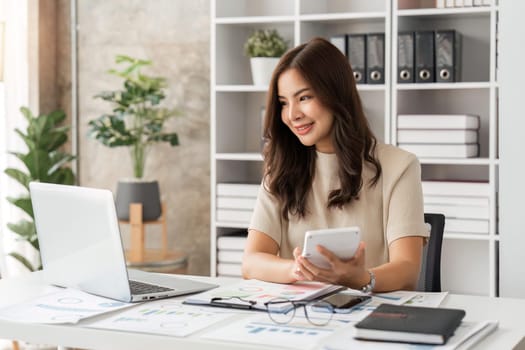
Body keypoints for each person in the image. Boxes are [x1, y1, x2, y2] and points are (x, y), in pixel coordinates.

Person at [241, 37, 429, 293]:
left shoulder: (399, 166)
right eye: (284, 103)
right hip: (301, 317)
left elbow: (407, 270)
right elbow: (251, 262)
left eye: (304, 97)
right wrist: (296, 270)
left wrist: (361, 279)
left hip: (372, 315)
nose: (292, 114)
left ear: (336, 95)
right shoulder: (281, 170)